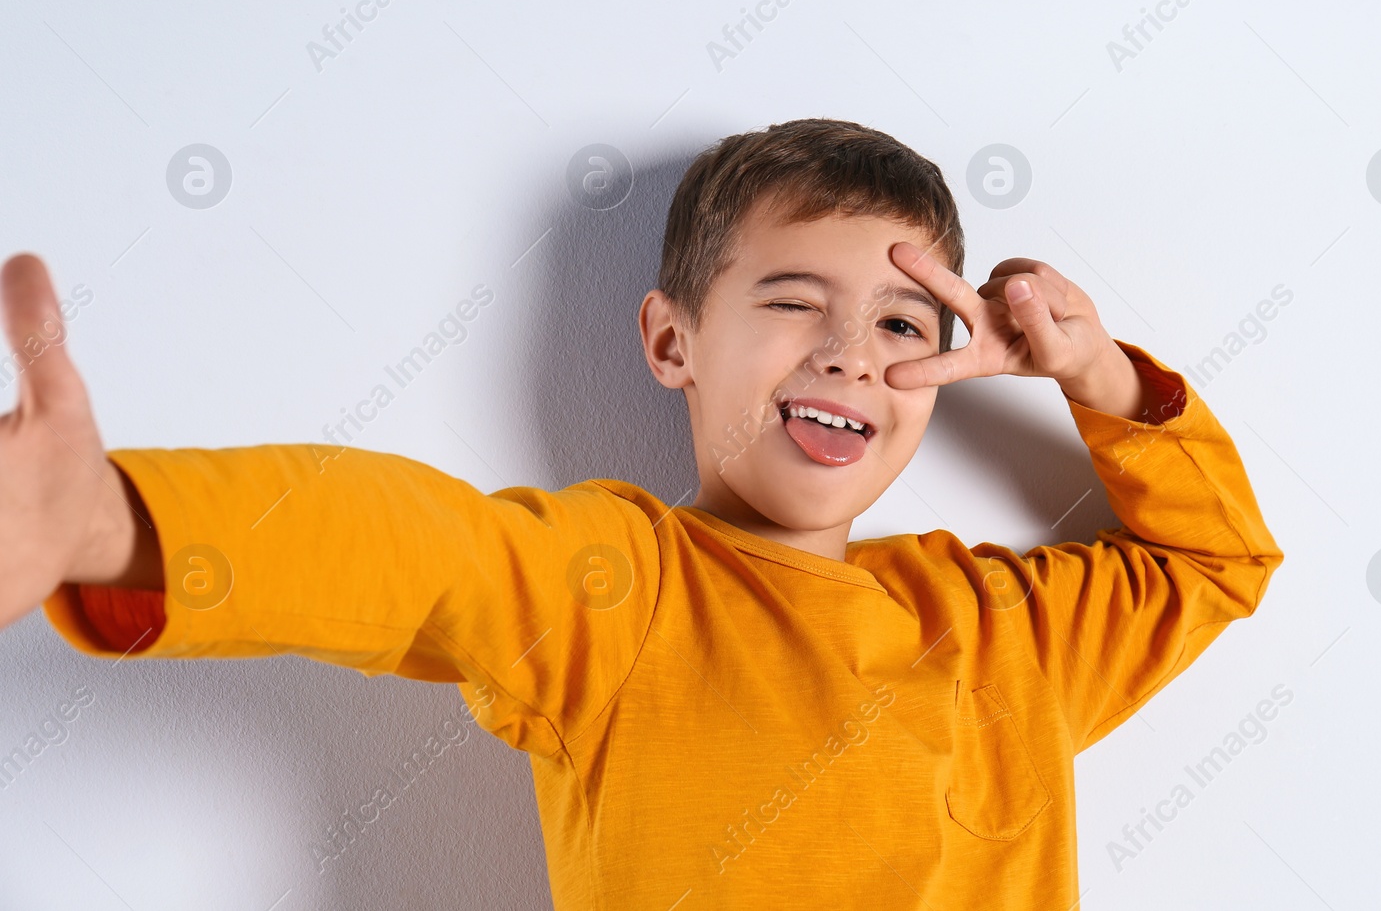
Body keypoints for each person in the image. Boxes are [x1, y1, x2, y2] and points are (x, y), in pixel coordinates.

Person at [0, 117, 1283, 908]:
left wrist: (1097, 377)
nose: (848, 353)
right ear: (672, 340)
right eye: (792, 301)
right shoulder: (618, 584)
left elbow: (1214, 557)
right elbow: (412, 548)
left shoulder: (1004, 622)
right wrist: (111, 519)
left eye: (902, 325)